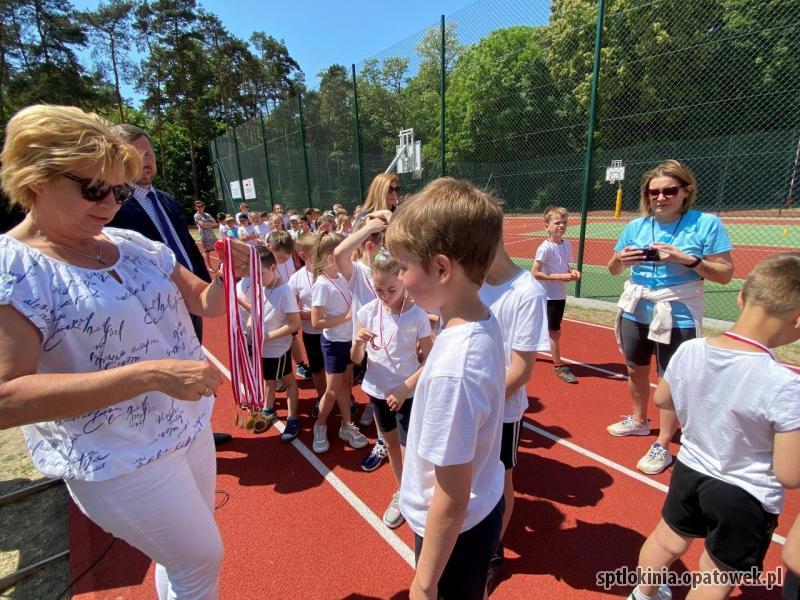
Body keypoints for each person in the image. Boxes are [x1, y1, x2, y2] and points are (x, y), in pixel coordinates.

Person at [0, 104, 253, 599]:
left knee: (183, 560)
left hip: (187, 426)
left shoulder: (129, 241)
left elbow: (205, 302)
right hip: (119, 455)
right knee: (201, 559)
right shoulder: (16, 268)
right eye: (94, 188)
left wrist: (230, 276)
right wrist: (149, 374)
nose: (110, 203)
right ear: (34, 180)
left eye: (118, 190)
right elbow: (7, 397)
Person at [627, 253, 800, 600]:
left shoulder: (690, 350)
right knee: (716, 571)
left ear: (741, 297)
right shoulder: (785, 384)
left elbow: (662, 399)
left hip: (691, 469)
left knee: (666, 539)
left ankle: (642, 595)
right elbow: (789, 473)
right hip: (746, 493)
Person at [387, 177, 506, 600]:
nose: (398, 278)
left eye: (402, 266)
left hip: (457, 530)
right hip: (476, 515)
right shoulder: (477, 316)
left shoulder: (455, 367)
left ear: (441, 268)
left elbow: (452, 496)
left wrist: (424, 581)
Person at [109, 124, 232, 447]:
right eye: (137, 155)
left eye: (149, 154)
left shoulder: (165, 200)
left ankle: (199, 427)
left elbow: (186, 248)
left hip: (189, 296)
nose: (146, 161)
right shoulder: (112, 206)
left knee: (193, 361)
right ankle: (171, 435)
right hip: (152, 306)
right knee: (165, 367)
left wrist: (207, 284)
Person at [607, 160, 733, 475]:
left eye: (669, 191)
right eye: (653, 193)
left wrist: (685, 259)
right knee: (635, 369)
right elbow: (613, 268)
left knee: (671, 379)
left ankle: (663, 443)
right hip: (637, 307)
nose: (660, 198)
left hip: (679, 312)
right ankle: (638, 420)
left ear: (686, 191)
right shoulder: (635, 226)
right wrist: (621, 259)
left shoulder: (706, 224)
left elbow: (725, 275)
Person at [480, 232, 550, 589]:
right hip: (472, 408)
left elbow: (521, 370)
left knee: (501, 478)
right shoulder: (471, 282)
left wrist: (480, 402)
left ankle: (493, 552)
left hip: (501, 410)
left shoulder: (526, 291)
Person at [351, 251, 433, 528]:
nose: (384, 294)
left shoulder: (417, 315)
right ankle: (402, 493)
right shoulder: (366, 312)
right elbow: (355, 359)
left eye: (392, 289)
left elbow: (431, 360)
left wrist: (405, 387)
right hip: (377, 392)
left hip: (407, 395)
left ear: (403, 282)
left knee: (412, 451)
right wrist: (358, 343)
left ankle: (418, 497)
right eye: (378, 289)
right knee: (392, 448)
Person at [333, 211, 390, 471]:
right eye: (384, 245)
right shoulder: (358, 271)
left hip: (397, 341)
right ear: (370, 245)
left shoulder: (393, 268)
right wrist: (369, 228)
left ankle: (397, 440)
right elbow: (339, 254)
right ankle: (382, 440)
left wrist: (391, 217)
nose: (390, 251)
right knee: (377, 395)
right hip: (369, 345)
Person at [310, 232, 369, 453]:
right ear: (329, 256)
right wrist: (346, 317)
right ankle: (320, 424)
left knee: (346, 385)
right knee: (333, 389)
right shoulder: (322, 284)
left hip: (348, 340)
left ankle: (346, 425)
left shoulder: (344, 277)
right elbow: (316, 322)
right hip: (334, 342)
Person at [243, 247, 302, 442]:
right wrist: (251, 323)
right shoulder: (262, 286)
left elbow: (295, 324)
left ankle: (292, 418)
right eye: (254, 275)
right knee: (269, 380)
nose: (257, 278)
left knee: (287, 381)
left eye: (261, 273)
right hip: (265, 347)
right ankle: (268, 409)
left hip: (278, 348)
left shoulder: (284, 291)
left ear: (274, 267)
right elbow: (257, 310)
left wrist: (267, 336)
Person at [531, 205, 581, 384]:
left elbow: (566, 266)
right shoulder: (545, 248)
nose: (561, 226)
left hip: (560, 295)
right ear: (547, 226)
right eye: (557, 222)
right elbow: (535, 272)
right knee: (554, 331)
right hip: (547, 296)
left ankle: (514, 347)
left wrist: (573, 272)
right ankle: (558, 365)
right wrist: (561, 276)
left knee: (541, 327)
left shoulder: (566, 244)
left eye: (564, 222)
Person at [289, 233, 326, 400]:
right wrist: (308, 315)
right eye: (317, 252)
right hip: (312, 334)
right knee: (317, 369)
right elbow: (290, 309)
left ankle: (345, 398)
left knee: (339, 370)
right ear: (303, 255)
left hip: (335, 332)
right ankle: (322, 397)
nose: (322, 255)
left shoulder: (333, 272)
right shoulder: (296, 279)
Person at [192, 200, 217, 272]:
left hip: (212, 235)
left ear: (204, 206)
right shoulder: (196, 216)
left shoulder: (207, 215)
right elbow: (202, 225)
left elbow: (215, 223)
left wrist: (207, 224)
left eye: (201, 206)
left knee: (218, 250)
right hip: (204, 236)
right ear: (196, 207)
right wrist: (209, 224)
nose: (200, 208)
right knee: (207, 252)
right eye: (198, 206)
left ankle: (221, 265)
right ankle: (210, 267)